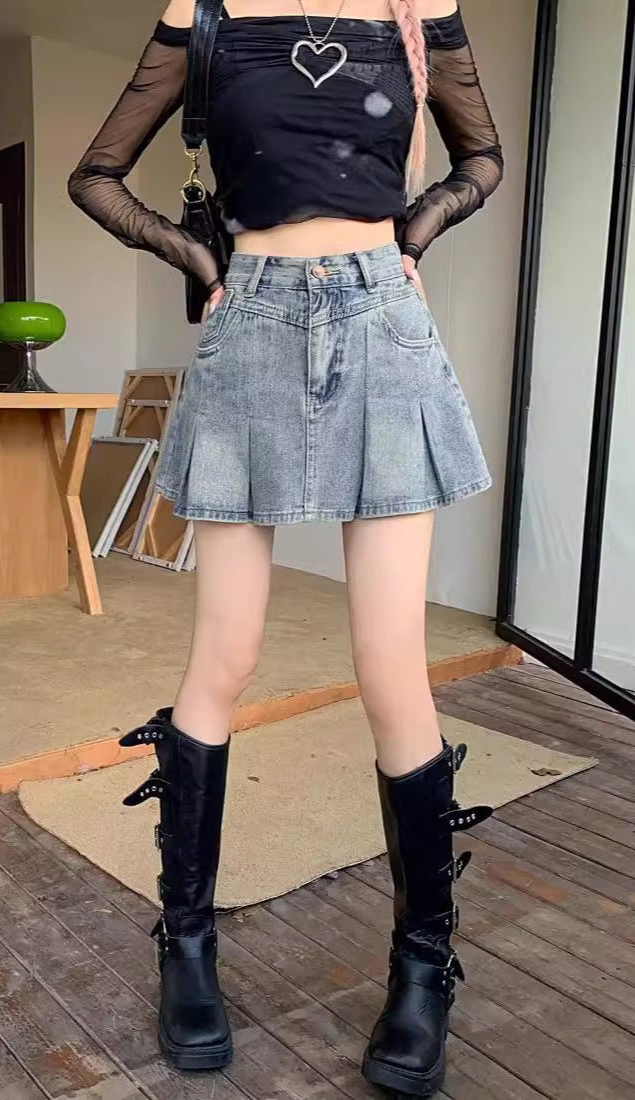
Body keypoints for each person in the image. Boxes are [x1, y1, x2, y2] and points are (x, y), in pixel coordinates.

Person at [69, 0, 501, 1092]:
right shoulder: (203, 13)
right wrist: (200, 260)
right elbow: (97, 175)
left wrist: (412, 234)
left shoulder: (417, 10)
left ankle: (422, 968)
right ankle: (187, 946)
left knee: (391, 665)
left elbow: (480, 157)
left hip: (383, 323)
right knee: (225, 655)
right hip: (250, 319)